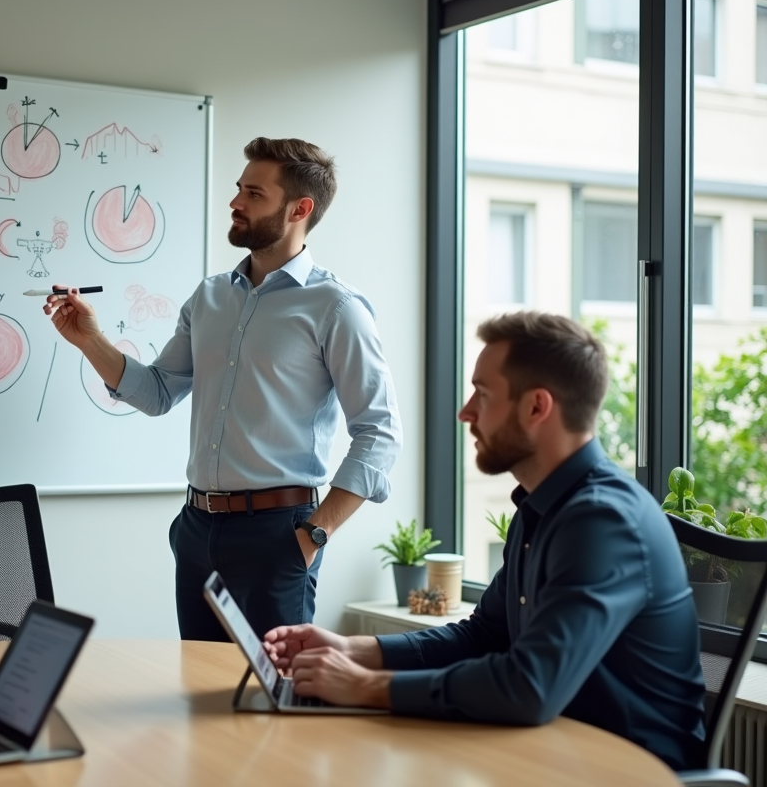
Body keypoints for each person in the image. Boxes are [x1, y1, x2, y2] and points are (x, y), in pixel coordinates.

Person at [261, 311, 707, 771]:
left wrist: (363, 687)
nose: (465, 411)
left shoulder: (602, 521)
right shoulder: (541, 506)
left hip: (628, 771)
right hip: (550, 754)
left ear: (537, 407)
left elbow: (530, 687)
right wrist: (351, 650)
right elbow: (484, 636)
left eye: (484, 394)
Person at [44, 137, 402, 640]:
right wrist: (90, 340)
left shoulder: (336, 308)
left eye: (254, 194)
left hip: (280, 534)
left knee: (271, 698)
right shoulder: (209, 296)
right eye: (239, 189)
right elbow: (158, 393)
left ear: (300, 208)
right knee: (200, 692)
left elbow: (379, 432)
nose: (235, 203)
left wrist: (314, 534)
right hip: (196, 530)